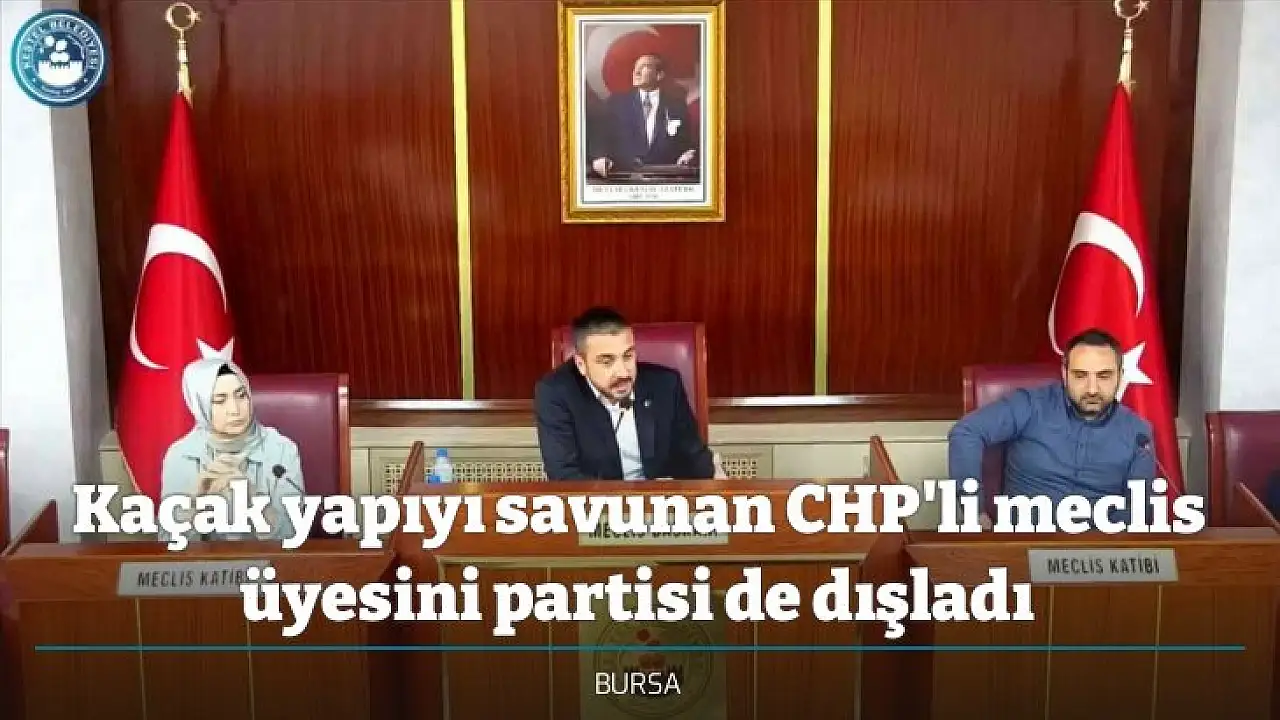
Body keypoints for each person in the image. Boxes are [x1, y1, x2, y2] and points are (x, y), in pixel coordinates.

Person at [947, 328, 1156, 525]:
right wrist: (974, 512)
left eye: (1104, 376)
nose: (1092, 389)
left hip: (1096, 544)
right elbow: (966, 432)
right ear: (1065, 373)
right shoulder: (1030, 405)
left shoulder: (1138, 433)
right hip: (1025, 538)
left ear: (1120, 375)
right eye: (1080, 375)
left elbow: (1137, 514)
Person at [534, 307, 718, 480]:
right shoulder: (556, 394)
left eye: (628, 356)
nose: (623, 372)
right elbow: (564, 476)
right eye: (607, 362)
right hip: (596, 500)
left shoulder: (665, 385)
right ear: (581, 364)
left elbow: (694, 459)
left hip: (658, 497)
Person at [159, 357, 305, 542]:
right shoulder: (181, 455)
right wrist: (195, 505)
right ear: (200, 406)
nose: (235, 409)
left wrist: (251, 498)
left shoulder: (282, 449)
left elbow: (293, 538)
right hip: (208, 560)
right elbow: (169, 544)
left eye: (241, 395)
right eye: (220, 401)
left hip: (266, 559)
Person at [589, 53, 697, 178]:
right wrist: (599, 157)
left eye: (644, 66)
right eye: (635, 67)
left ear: (659, 75)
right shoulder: (616, 103)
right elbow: (601, 137)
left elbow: (685, 143)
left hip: (665, 177)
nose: (636, 72)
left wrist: (688, 154)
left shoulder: (676, 105)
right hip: (625, 177)